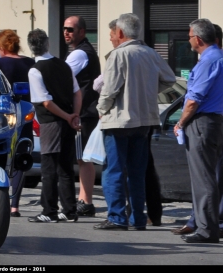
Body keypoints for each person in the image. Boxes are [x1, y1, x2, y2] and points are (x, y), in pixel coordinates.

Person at [94, 13, 175, 231]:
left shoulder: (118, 55)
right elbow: (169, 79)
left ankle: (117, 217)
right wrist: (147, 92)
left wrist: (101, 109)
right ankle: (138, 218)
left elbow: (109, 89)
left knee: (114, 170)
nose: (112, 37)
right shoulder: (150, 53)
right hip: (144, 120)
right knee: (137, 172)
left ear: (120, 32)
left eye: (113, 33)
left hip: (119, 120)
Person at [173, 19, 223, 243]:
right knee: (212, 177)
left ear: (198, 39)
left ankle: (206, 229)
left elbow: (193, 100)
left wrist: (181, 122)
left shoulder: (208, 62)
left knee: (203, 178)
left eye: (190, 35)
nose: (189, 39)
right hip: (217, 122)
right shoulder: (220, 57)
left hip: (203, 123)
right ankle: (210, 225)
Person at [26, 28, 82, 223]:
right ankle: (69, 210)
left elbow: (46, 102)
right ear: (48, 43)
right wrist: (74, 116)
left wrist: (67, 116)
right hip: (67, 121)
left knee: (49, 168)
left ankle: (49, 210)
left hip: (51, 122)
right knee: (66, 167)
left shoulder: (35, 70)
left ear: (31, 47)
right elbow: (77, 93)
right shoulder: (64, 66)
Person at [0, 29, 35, 217]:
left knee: (0, 155)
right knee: (21, 157)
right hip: (25, 114)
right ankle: (15, 205)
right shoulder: (30, 63)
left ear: (1, 47)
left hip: (3, 117)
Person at [63, 15, 101, 217]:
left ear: (82, 32)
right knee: (83, 158)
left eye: (70, 29)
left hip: (84, 112)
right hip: (87, 112)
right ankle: (85, 200)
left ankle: (85, 201)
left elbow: (61, 76)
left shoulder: (79, 54)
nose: (66, 32)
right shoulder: (82, 51)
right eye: (65, 29)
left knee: (83, 158)